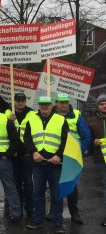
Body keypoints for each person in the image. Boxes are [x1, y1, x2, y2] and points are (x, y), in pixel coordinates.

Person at [24, 96, 69, 234]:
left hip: (55, 163)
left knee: (56, 194)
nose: (44, 107)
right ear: (38, 105)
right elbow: (27, 139)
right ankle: (38, 220)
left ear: (52, 105)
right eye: (42, 104)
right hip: (38, 163)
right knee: (38, 193)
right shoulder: (31, 119)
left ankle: (58, 223)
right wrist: (33, 153)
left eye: (47, 104)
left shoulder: (61, 120)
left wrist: (59, 155)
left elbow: (66, 140)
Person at [52, 93, 92, 224]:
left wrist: (77, 152)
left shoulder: (76, 115)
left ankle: (74, 212)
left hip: (71, 157)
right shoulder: (50, 114)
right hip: (54, 155)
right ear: (56, 103)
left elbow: (86, 137)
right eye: (61, 102)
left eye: (66, 102)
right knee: (54, 184)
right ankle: (53, 211)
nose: (64, 104)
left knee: (71, 186)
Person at [4, 93, 36, 219]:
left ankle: (29, 207)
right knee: (15, 182)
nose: (20, 103)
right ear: (14, 102)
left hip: (27, 153)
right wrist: (8, 121)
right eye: (18, 101)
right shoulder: (7, 113)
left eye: (22, 100)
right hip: (13, 153)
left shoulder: (32, 113)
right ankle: (16, 208)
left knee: (28, 182)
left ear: (26, 101)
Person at [87, 94, 106, 226]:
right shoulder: (92, 121)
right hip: (101, 158)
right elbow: (88, 140)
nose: (104, 105)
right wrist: (93, 143)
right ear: (97, 106)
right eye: (101, 103)